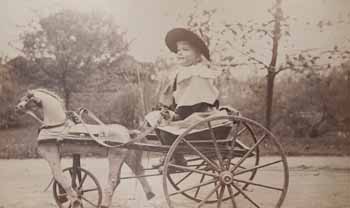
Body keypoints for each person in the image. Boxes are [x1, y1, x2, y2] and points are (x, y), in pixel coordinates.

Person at [150, 27, 221, 168]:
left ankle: (175, 157)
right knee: (155, 117)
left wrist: (175, 115)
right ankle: (174, 156)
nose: (180, 53)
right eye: (178, 50)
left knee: (166, 123)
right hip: (185, 115)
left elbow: (194, 101)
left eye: (185, 49)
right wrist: (165, 109)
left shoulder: (199, 74)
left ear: (198, 55)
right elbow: (173, 97)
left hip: (200, 117)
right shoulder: (181, 73)